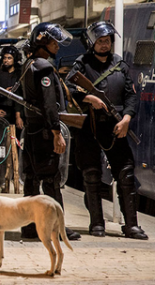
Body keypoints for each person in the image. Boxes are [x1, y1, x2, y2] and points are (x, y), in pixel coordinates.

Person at [66, 21, 148, 240]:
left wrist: (127, 119)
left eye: (108, 41)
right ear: (93, 42)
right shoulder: (82, 64)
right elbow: (69, 87)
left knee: (126, 175)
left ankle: (131, 225)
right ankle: (97, 224)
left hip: (117, 125)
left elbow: (131, 95)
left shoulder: (119, 63)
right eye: (101, 41)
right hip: (90, 126)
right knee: (91, 175)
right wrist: (88, 98)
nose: (105, 45)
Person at [20, 23, 80, 240]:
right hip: (45, 132)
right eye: (53, 42)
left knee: (32, 179)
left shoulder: (30, 64)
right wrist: (56, 132)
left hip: (33, 130)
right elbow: (48, 104)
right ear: (42, 42)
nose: (57, 46)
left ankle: (29, 227)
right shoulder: (44, 68)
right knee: (51, 179)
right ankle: (57, 228)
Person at [0, 45, 24, 130]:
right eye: (4, 58)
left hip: (15, 111)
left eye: (9, 58)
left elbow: (20, 96)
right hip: (1, 111)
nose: (6, 60)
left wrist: (18, 116)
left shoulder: (19, 74)